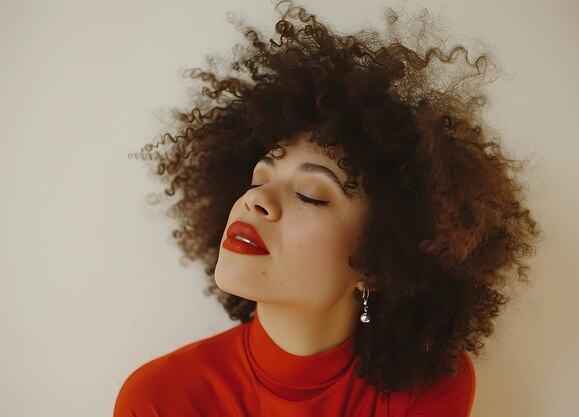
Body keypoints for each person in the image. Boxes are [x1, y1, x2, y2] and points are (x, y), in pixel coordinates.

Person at [115, 1, 541, 416]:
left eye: (311, 195)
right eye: (258, 179)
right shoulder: (156, 400)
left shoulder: (430, 385)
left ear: (378, 262)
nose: (255, 199)